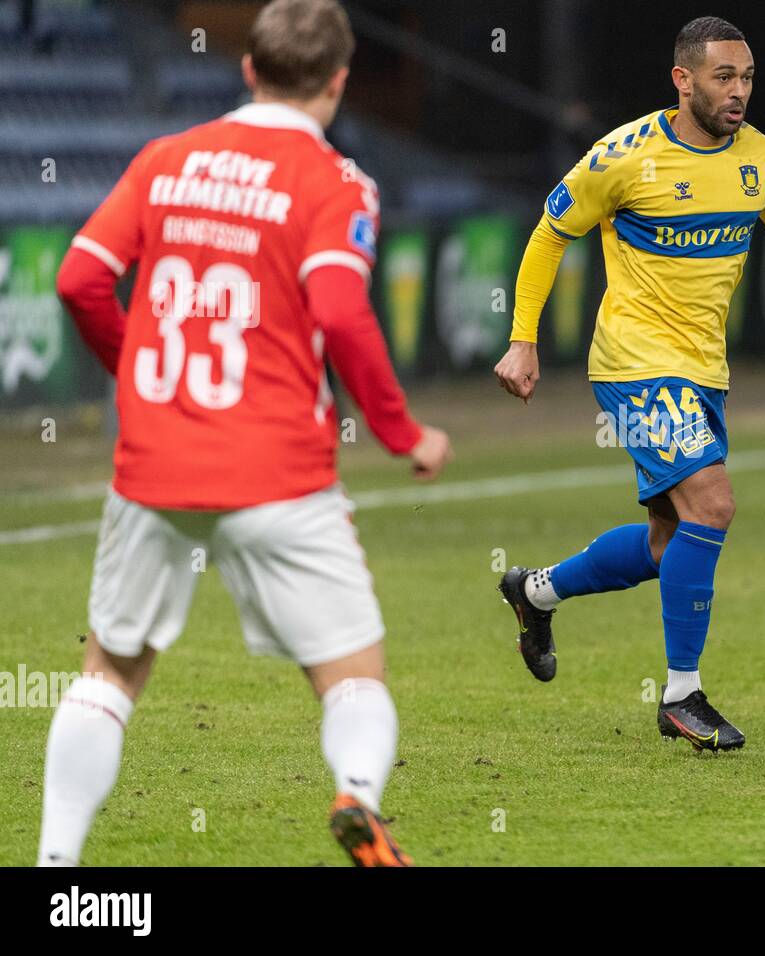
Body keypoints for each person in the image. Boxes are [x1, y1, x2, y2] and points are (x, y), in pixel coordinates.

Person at [44, 0, 451, 867]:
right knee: (353, 679)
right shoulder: (336, 183)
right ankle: (357, 798)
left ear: (246, 68)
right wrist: (399, 431)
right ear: (339, 81)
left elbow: (80, 279)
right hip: (278, 475)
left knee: (109, 677)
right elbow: (341, 312)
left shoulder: (165, 161)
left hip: (152, 470)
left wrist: (133, 372)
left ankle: (54, 869)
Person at [493, 16, 765, 752]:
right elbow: (549, 233)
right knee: (714, 503)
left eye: (749, 77)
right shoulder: (622, 157)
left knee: (671, 542)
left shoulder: (762, 159)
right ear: (682, 80)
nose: (740, 92)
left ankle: (535, 592)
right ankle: (681, 697)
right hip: (635, 362)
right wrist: (522, 340)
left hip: (701, 372)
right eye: (724, 77)